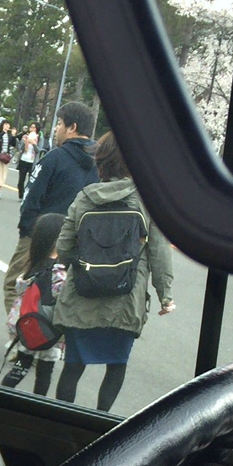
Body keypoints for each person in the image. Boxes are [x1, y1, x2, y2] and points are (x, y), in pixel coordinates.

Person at [51, 131, 174, 413]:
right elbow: (159, 252)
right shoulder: (146, 201)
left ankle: (59, 420)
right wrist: (165, 295)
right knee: (116, 366)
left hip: (82, 298)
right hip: (125, 301)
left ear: (102, 162)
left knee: (72, 368)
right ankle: (101, 421)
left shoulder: (85, 198)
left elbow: (64, 246)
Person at [2, 102, 98, 314]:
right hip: (78, 241)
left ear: (72, 127)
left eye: (60, 123)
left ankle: (22, 329)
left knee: (15, 283)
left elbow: (31, 198)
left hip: (41, 235)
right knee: (61, 292)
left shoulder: (54, 158)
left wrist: (26, 231)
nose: (56, 129)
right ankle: (50, 331)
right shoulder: (100, 164)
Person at [0, 212, 66, 394]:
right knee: (44, 373)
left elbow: (19, 289)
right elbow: (61, 293)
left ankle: (1, 395)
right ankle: (37, 405)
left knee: (20, 368)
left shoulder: (33, 264)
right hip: (49, 331)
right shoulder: (58, 270)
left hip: (27, 327)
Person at [16, 122, 40, 197]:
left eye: (34, 127)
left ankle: (27, 195)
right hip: (23, 159)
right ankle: (21, 195)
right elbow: (20, 148)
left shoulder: (39, 138)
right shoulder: (26, 136)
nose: (32, 129)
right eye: (31, 127)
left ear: (37, 129)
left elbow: (38, 150)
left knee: (31, 181)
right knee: (21, 180)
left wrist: (34, 143)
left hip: (32, 162)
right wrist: (24, 142)